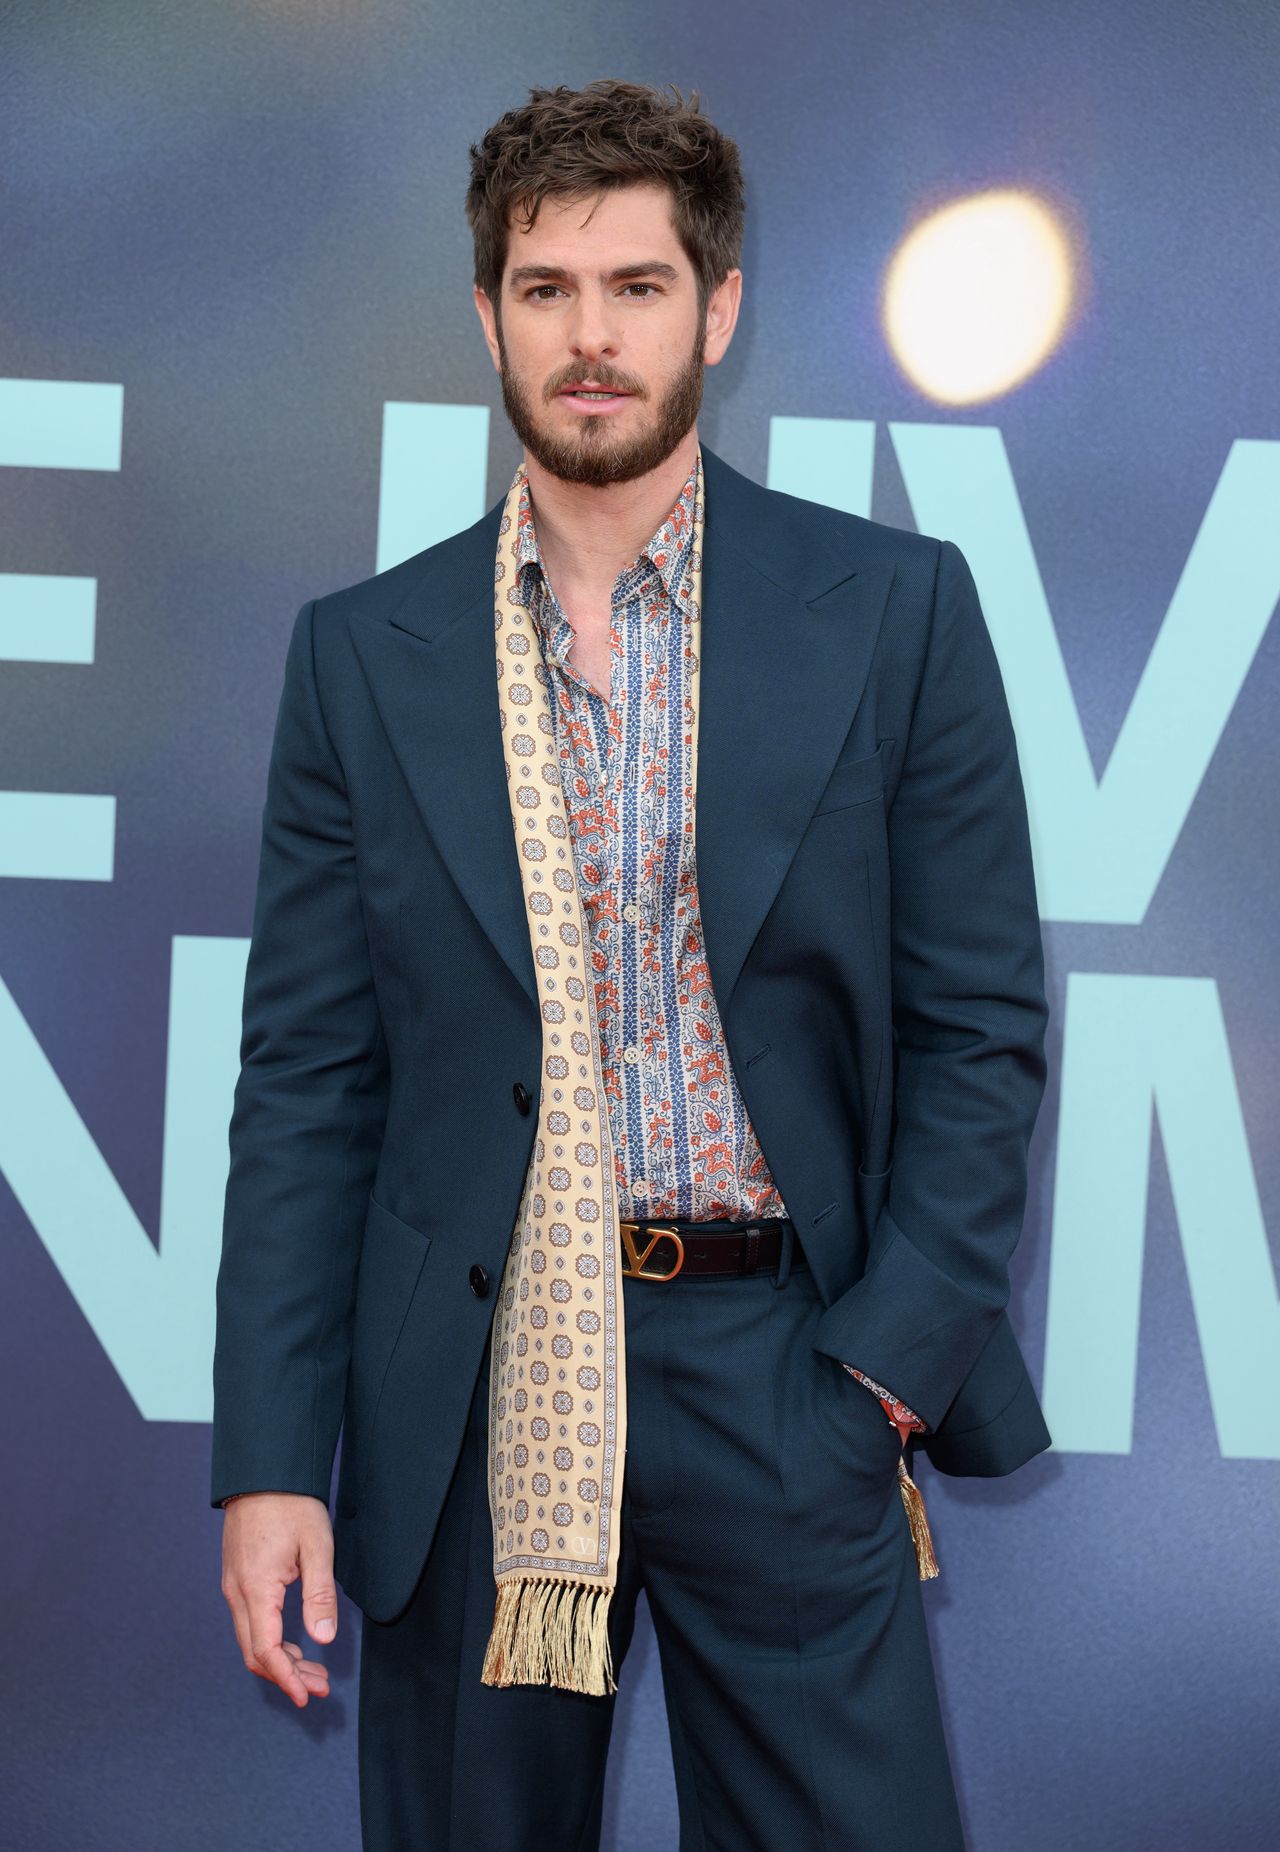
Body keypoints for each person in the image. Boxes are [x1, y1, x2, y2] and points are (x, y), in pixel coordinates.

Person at [212, 76, 1051, 1852]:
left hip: (789, 1370)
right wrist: (274, 1457)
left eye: (638, 287)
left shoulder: (893, 612)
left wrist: (883, 1371)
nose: (590, 339)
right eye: (545, 289)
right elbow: (306, 1081)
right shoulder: (363, 659)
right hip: (475, 1396)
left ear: (717, 307)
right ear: (488, 312)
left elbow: (979, 1028)